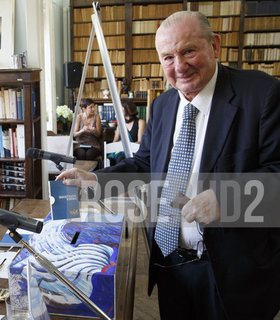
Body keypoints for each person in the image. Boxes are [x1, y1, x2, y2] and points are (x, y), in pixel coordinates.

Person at [57, 11, 280, 320]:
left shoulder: (262, 93)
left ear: (214, 46)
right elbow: (145, 164)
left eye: (189, 51)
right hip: (169, 263)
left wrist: (226, 199)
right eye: (168, 57)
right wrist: (96, 180)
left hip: (233, 272)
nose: (179, 66)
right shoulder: (163, 105)